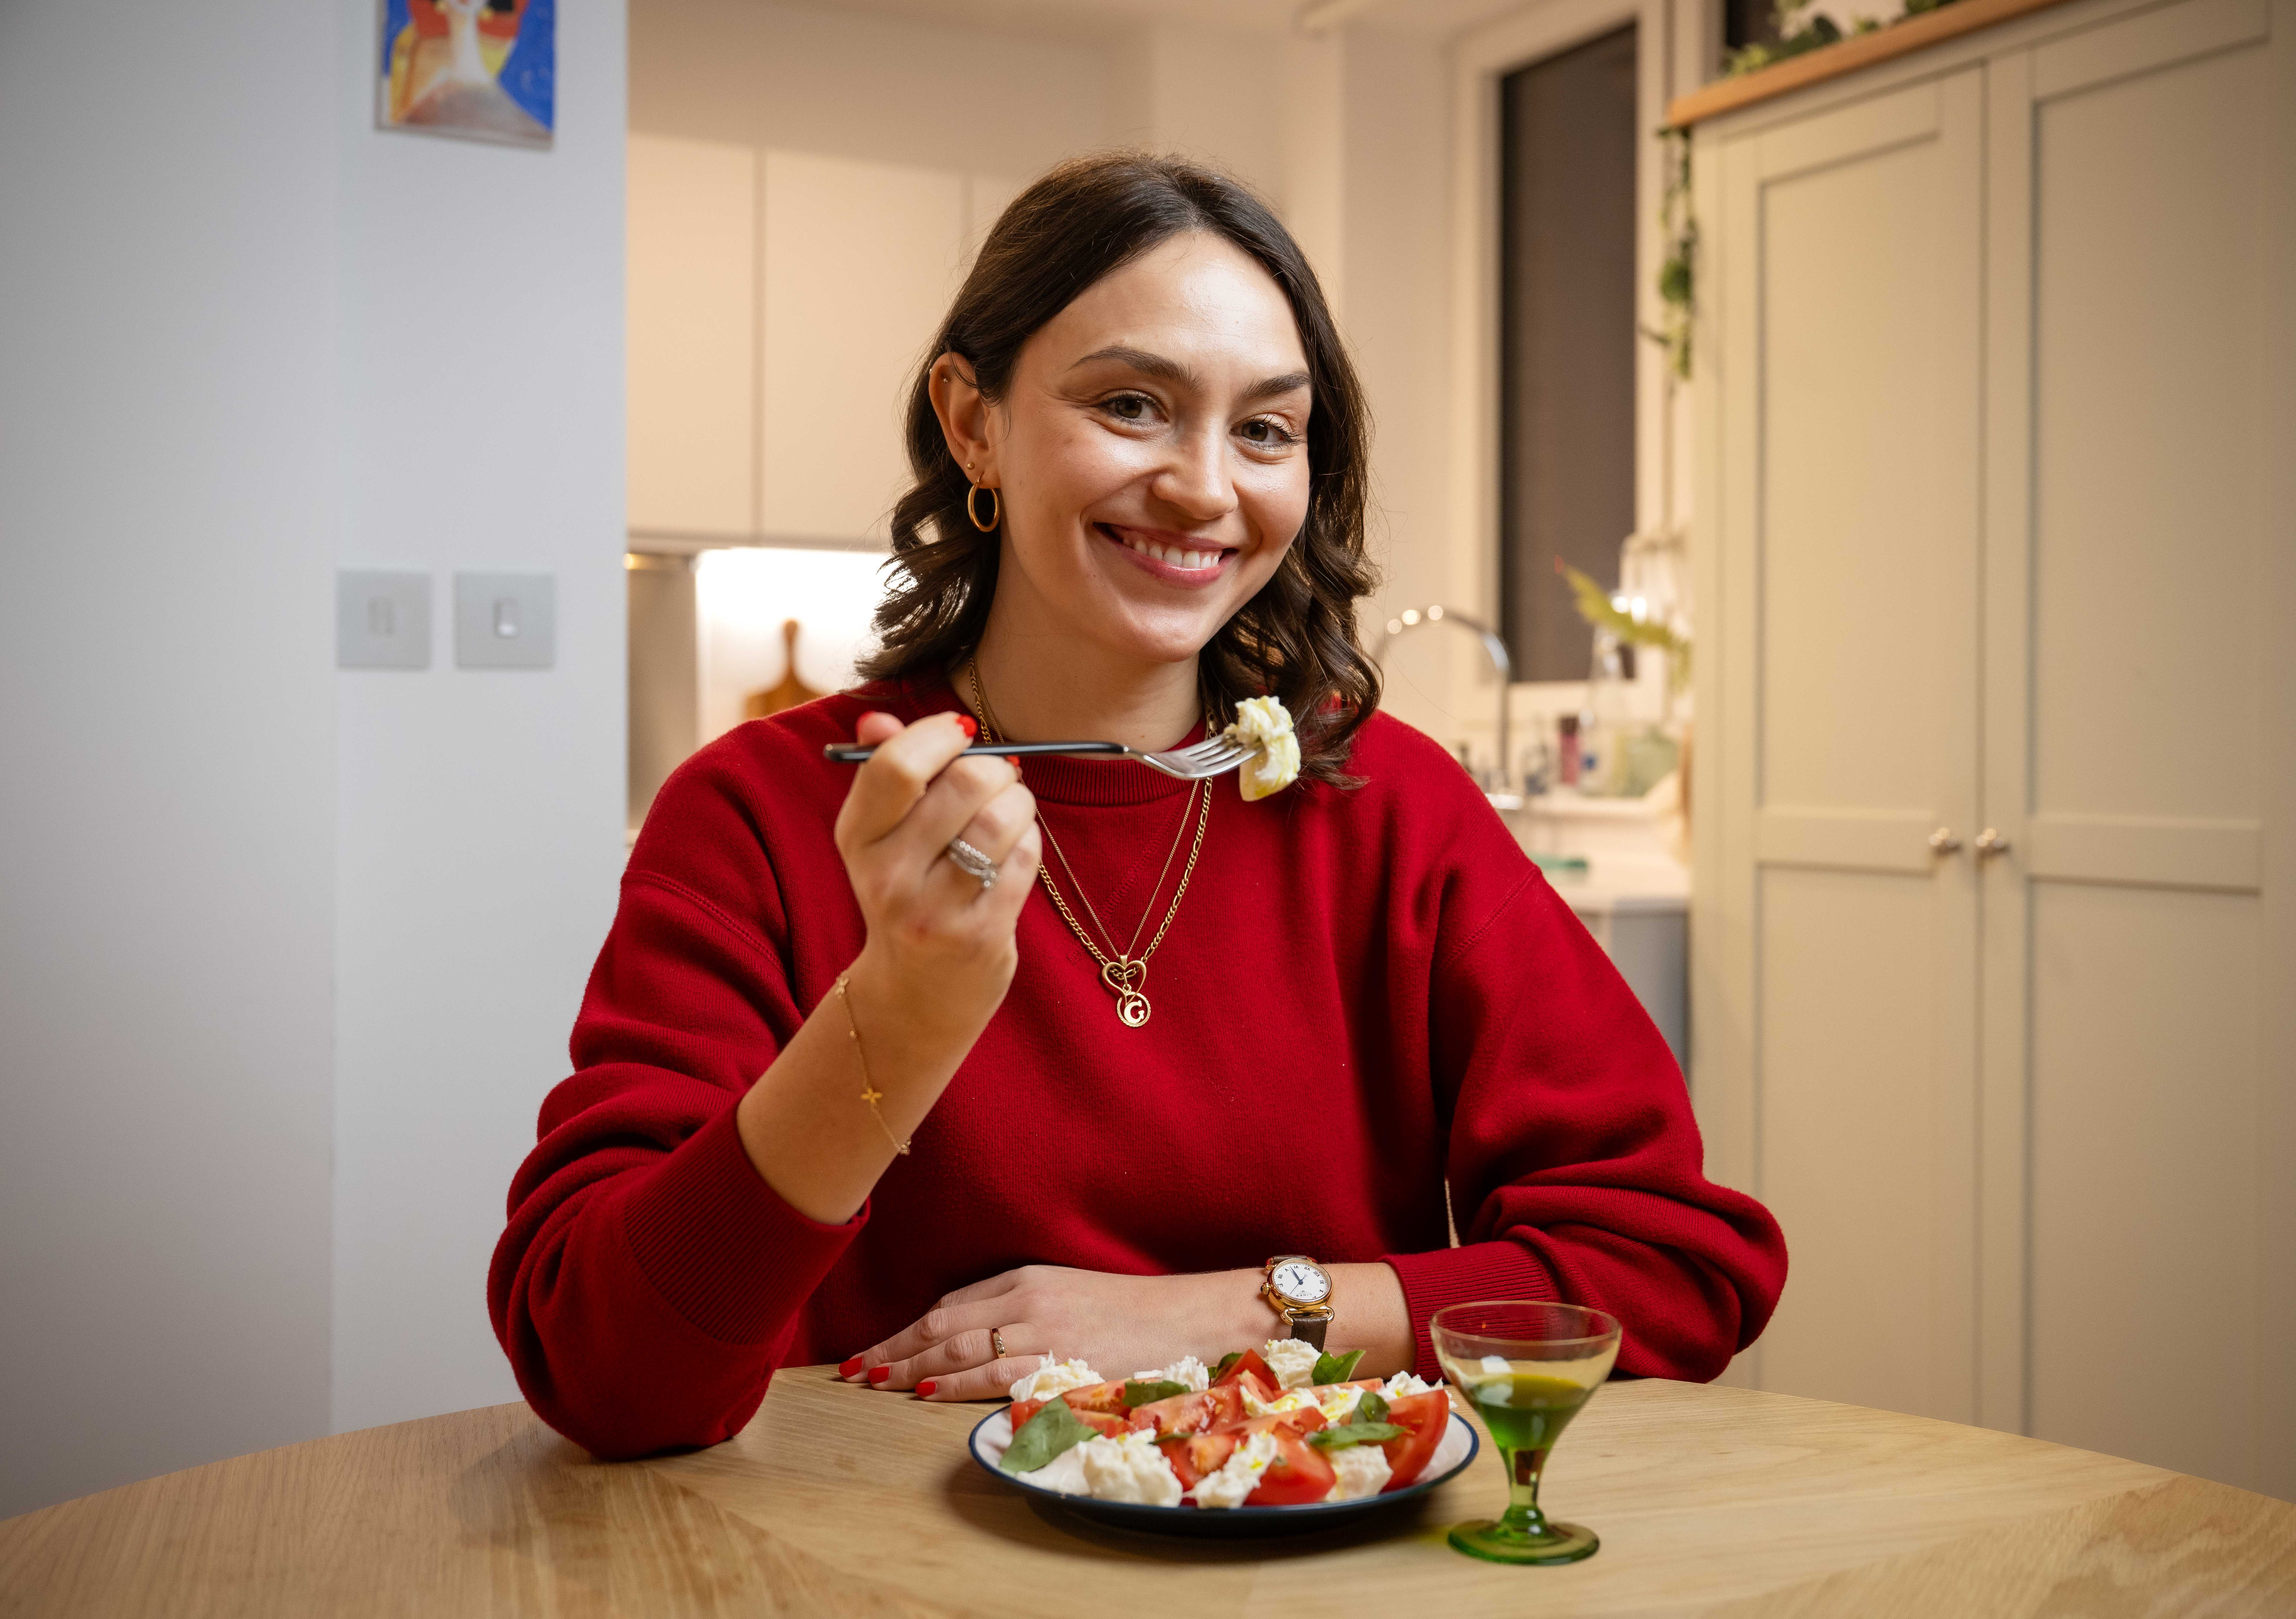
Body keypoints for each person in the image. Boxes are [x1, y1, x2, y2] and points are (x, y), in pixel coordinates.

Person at [489, 151, 1786, 1460]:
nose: (1206, 487)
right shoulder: (763, 812)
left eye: (1266, 429)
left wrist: (1242, 1311)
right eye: (1131, 404)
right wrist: (898, 1015)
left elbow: (1677, 1261)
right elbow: (606, 1368)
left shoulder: (1394, 806)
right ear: (971, 421)